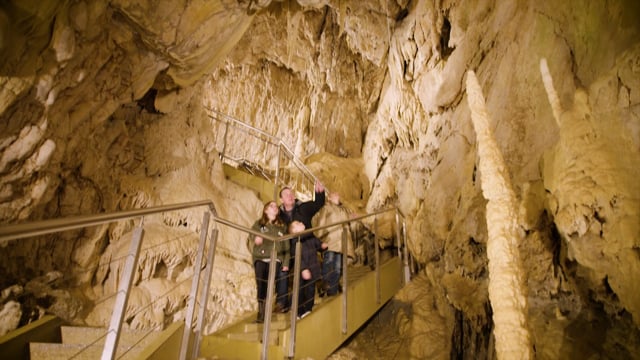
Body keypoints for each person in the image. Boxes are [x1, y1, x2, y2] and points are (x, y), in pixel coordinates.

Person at [277, 180, 326, 311]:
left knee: (305, 275)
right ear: (281, 199)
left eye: (291, 193)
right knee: (283, 271)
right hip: (288, 250)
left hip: (305, 247)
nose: (290, 195)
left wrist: (319, 193)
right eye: (286, 194)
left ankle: (302, 306)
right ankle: (282, 303)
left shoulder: (303, 208)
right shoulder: (279, 215)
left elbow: (318, 203)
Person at [249, 201, 289, 323]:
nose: (275, 207)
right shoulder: (259, 224)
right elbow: (251, 234)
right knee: (261, 283)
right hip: (260, 257)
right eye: (271, 206)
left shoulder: (282, 227)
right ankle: (261, 310)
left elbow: (286, 247)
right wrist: (255, 238)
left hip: (275, 258)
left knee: (270, 283)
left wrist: (286, 263)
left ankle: (266, 310)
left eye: (276, 206)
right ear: (266, 210)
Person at [315, 192, 355, 296]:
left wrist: (352, 217)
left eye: (338, 194)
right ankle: (325, 283)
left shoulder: (343, 209)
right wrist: (320, 240)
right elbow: (321, 223)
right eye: (334, 194)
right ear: (329, 198)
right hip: (331, 239)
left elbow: (347, 222)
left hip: (341, 241)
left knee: (337, 267)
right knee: (329, 261)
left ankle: (332, 291)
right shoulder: (326, 208)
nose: (337, 195)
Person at [289, 220, 327, 319]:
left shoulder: (310, 235)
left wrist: (322, 246)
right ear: (294, 231)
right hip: (302, 269)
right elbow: (297, 256)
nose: (301, 223)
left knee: (310, 290)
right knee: (300, 291)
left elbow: (317, 243)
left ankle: (308, 309)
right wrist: (303, 268)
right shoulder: (296, 241)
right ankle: (298, 311)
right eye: (298, 224)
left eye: (300, 222)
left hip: (313, 267)